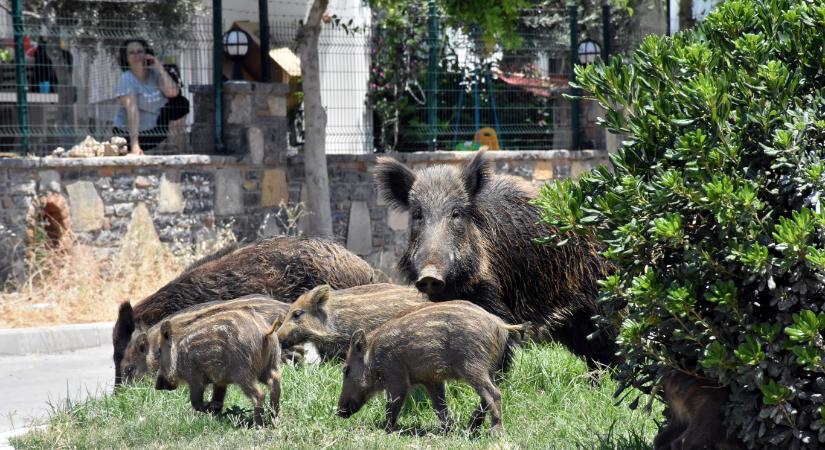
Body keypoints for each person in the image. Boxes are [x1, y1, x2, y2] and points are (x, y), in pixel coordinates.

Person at [112, 39, 183, 155]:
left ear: (146, 54)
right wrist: (135, 145)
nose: (136, 55)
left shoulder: (155, 75)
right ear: (125, 57)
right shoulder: (126, 79)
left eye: (140, 51)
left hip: (155, 134)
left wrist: (159, 67)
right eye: (132, 52)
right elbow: (132, 111)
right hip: (131, 136)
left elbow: (173, 93)